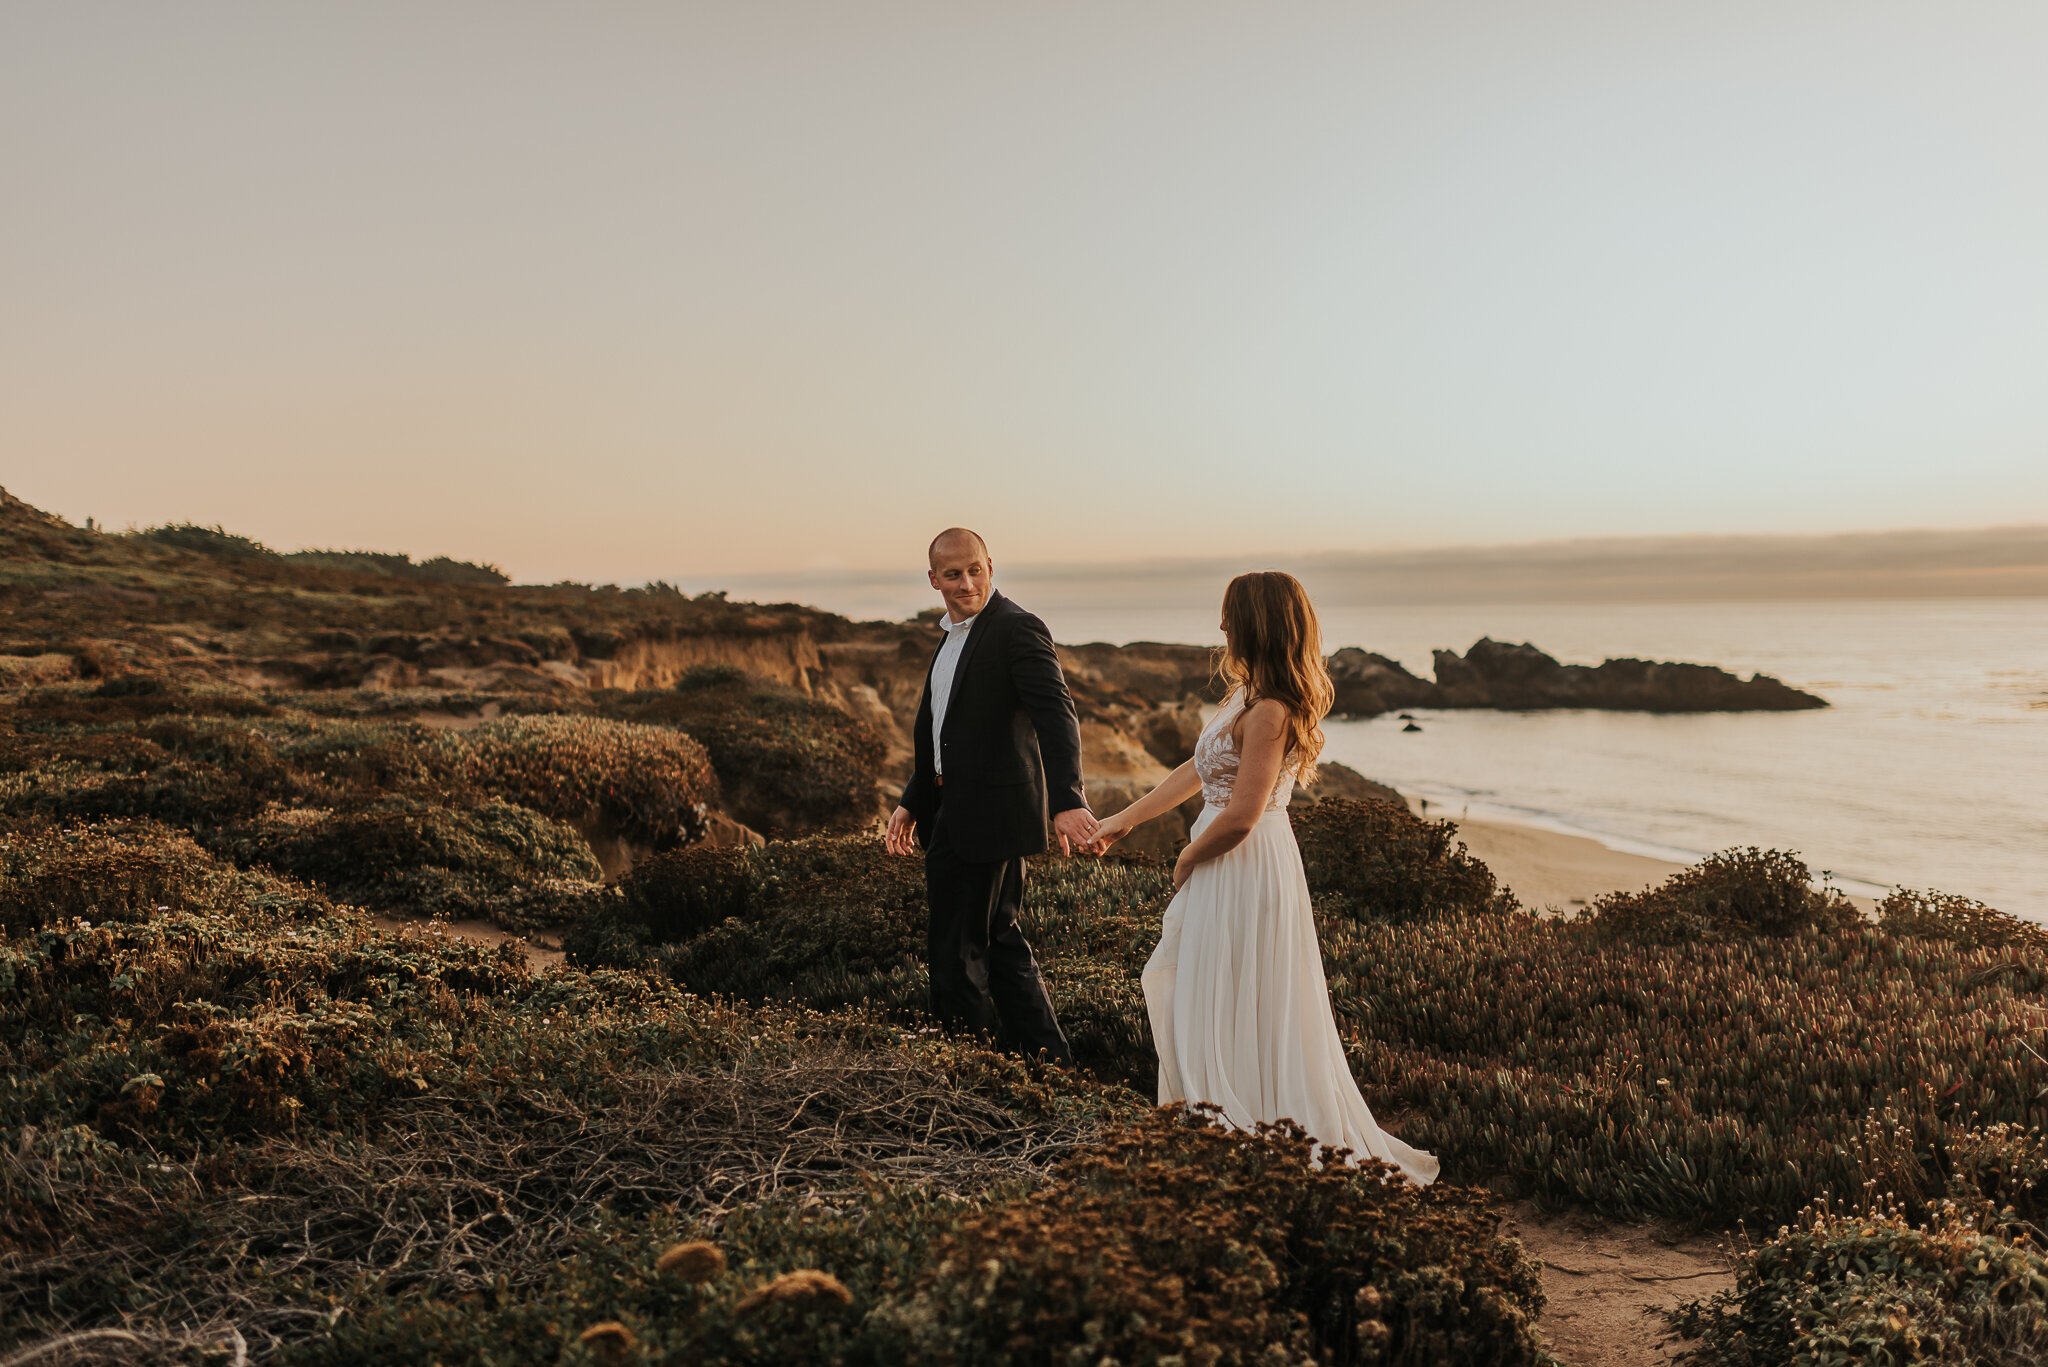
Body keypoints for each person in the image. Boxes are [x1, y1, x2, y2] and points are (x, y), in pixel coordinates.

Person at [1089, 571, 1438, 1183]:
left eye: (1229, 615)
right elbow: (1195, 771)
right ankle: (1213, 1113)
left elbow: (1244, 815)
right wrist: (1124, 819)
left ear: (1254, 622)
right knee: (1209, 985)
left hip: (1245, 861)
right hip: (1228, 855)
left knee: (1238, 987)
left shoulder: (1272, 709)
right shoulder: (1244, 696)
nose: (1221, 626)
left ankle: (1250, 1123)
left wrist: (1186, 858)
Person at [883, 528, 1096, 1065]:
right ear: (934, 579)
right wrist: (913, 798)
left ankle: (970, 1073)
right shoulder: (950, 638)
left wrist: (1067, 800)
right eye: (953, 574)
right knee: (1000, 943)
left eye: (975, 569)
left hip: (989, 816)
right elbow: (944, 735)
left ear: (991, 566)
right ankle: (1053, 1064)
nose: (966, 582)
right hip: (953, 810)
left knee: (955, 957)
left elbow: (1056, 714)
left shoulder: (1016, 628)